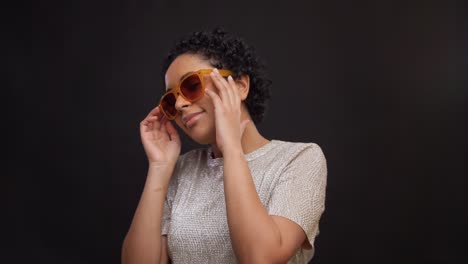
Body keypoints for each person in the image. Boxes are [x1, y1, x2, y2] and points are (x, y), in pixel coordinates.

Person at [121, 28, 327, 264]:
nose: (178, 104)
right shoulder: (182, 170)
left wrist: (231, 148)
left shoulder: (299, 159)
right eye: (170, 99)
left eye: (191, 85)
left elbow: (260, 258)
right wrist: (159, 168)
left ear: (240, 86)